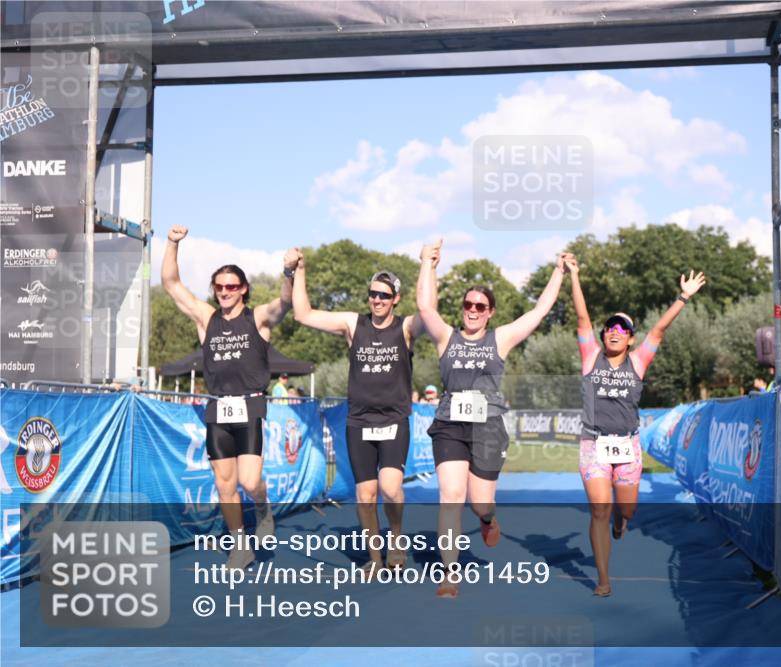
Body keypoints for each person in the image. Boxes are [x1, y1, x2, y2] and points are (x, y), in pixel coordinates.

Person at [416, 239, 570, 598]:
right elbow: (425, 306)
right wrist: (427, 262)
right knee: (451, 495)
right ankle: (449, 574)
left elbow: (538, 313)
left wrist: (558, 273)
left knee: (479, 503)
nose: (472, 309)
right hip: (450, 425)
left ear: (490, 312)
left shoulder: (500, 339)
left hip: (487, 428)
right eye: (468, 304)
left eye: (479, 306)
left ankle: (488, 518)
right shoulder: (446, 339)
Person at [567, 256, 705, 597]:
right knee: (599, 508)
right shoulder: (590, 357)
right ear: (603, 335)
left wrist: (683, 298)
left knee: (624, 509)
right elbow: (582, 317)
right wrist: (574, 275)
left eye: (622, 329)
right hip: (593, 444)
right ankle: (603, 579)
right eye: (610, 328)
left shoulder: (638, 361)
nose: (614, 332)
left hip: (627, 446)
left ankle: (621, 521)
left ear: (630, 339)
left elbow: (659, 329)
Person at [161, 225, 296, 570]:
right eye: (219, 287)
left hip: (249, 404)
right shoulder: (207, 319)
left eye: (231, 287)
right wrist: (172, 244)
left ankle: (263, 507)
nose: (225, 292)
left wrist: (289, 272)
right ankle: (240, 545)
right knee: (225, 485)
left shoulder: (258, 319)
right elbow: (172, 285)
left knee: (250, 482)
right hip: (218, 408)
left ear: (243, 289)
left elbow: (284, 302)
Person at [289, 248, 426, 572]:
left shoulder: (405, 328)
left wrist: (426, 265)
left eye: (384, 295)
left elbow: (428, 310)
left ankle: (395, 539)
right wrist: (300, 270)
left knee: (391, 488)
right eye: (372, 294)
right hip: (359, 422)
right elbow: (303, 314)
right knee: (365, 494)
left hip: (393, 420)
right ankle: (375, 558)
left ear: (395, 298)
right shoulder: (354, 324)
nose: (376, 300)